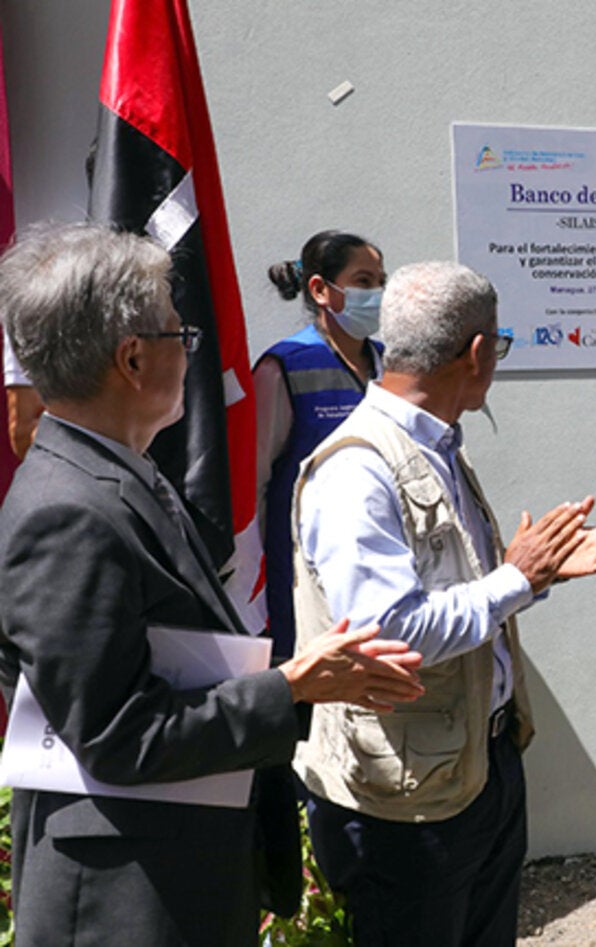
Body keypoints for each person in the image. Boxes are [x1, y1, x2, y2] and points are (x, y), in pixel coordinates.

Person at [0, 222, 427, 947]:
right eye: (181, 334)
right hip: (123, 899)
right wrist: (292, 686)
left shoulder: (116, 473)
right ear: (133, 358)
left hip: (167, 867)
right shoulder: (70, 509)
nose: (192, 352)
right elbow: (116, 735)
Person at [292, 259, 596, 945]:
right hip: (405, 801)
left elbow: (456, 593)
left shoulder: (438, 444)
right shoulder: (358, 470)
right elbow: (390, 635)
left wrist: (537, 576)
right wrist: (516, 578)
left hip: (476, 762)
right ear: (476, 352)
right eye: (498, 345)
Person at [255, 229, 387, 660]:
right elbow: (253, 483)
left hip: (380, 561)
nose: (377, 294)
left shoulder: (391, 364)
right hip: (302, 569)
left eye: (381, 281)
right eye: (363, 281)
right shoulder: (285, 367)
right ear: (320, 289)